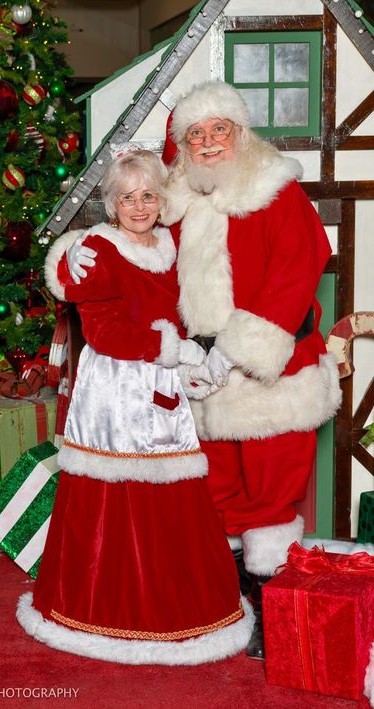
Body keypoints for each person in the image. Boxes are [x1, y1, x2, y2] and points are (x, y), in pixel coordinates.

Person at [68, 83, 342, 659]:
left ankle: (272, 611)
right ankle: (227, 600)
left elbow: (298, 272)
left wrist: (238, 346)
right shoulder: (178, 198)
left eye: (220, 129)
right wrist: (71, 256)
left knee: (271, 495)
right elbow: (131, 243)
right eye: (196, 133)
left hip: (273, 374)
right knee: (217, 495)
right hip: (199, 380)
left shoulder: (278, 192)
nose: (209, 142)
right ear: (183, 145)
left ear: (241, 133)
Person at [16, 149, 254, 665]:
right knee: (116, 499)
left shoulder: (171, 246)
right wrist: (172, 350)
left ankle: (174, 608)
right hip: (115, 391)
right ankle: (106, 614)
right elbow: (102, 333)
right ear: (111, 203)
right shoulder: (97, 250)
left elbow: (183, 311)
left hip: (161, 388)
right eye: (128, 197)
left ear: (161, 198)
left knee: (173, 495)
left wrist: (190, 361)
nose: (140, 206)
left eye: (148, 195)